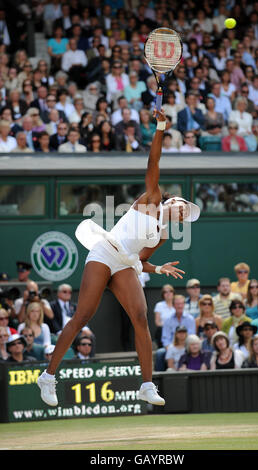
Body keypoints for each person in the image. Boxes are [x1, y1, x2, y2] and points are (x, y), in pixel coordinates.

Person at [37, 108, 201, 407]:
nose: (182, 212)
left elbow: (138, 260)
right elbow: (154, 160)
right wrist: (161, 127)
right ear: (172, 200)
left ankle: (147, 385)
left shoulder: (163, 234)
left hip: (125, 263)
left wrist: (158, 267)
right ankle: (48, 377)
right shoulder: (151, 198)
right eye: (182, 207)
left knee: (140, 318)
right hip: (104, 252)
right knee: (82, 316)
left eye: (185, 215)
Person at [153, 284, 175, 348]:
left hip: (176, 330)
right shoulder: (159, 305)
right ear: (163, 294)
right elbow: (157, 322)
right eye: (165, 292)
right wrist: (168, 326)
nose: (168, 293)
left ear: (173, 293)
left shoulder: (177, 304)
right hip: (163, 330)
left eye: (170, 291)